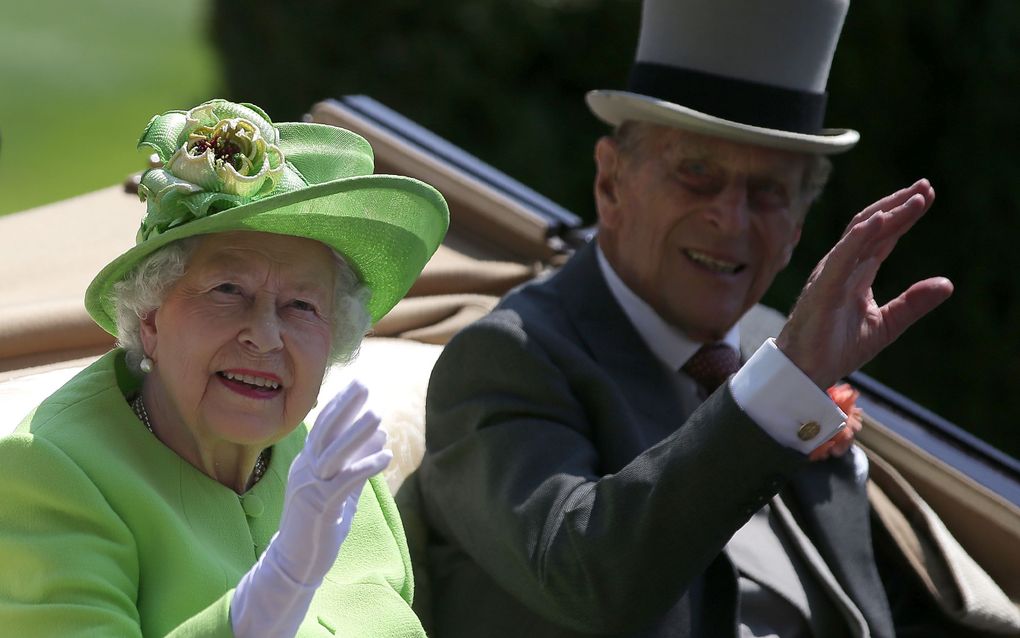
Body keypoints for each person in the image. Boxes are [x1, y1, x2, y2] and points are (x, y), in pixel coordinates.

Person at [416, 1, 962, 636]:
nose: (730, 221)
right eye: (697, 175)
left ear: (797, 228)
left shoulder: (773, 343)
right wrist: (780, 391)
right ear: (611, 184)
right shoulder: (511, 360)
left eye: (768, 193)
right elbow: (588, 579)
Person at [0, 99, 448, 636]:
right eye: (227, 290)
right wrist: (269, 599)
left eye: (302, 306)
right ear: (150, 318)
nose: (264, 335)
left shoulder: (336, 472)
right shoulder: (51, 475)